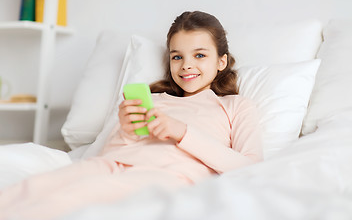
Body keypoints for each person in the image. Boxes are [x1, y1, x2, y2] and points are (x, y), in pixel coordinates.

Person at [0, 11, 263, 220]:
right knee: (32, 188)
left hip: (165, 176)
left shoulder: (235, 106)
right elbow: (108, 156)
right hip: (110, 165)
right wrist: (124, 130)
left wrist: (181, 131)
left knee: (64, 202)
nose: (187, 65)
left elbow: (251, 166)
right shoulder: (152, 99)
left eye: (200, 55)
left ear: (221, 61)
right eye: (177, 56)